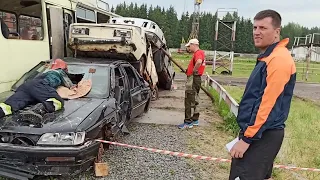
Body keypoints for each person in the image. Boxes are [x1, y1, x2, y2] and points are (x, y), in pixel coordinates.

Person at [228, 10, 296, 180]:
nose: (257, 32)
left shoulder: (278, 59)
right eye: (255, 27)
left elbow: (267, 104)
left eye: (263, 28)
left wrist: (247, 139)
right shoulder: (269, 57)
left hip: (262, 135)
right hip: (260, 133)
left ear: (277, 32)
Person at [0, 59, 75, 124]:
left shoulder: (44, 72)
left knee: (9, 105)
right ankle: (38, 110)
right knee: (58, 101)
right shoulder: (59, 72)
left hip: (25, 87)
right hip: (40, 86)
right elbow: (69, 85)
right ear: (64, 68)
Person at [178, 38, 206, 129]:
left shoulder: (198, 53)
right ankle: (195, 119)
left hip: (193, 79)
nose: (189, 48)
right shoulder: (200, 53)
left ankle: (188, 122)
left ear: (194, 45)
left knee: (189, 100)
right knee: (195, 99)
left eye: (189, 46)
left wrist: (193, 71)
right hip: (196, 78)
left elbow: (198, 62)